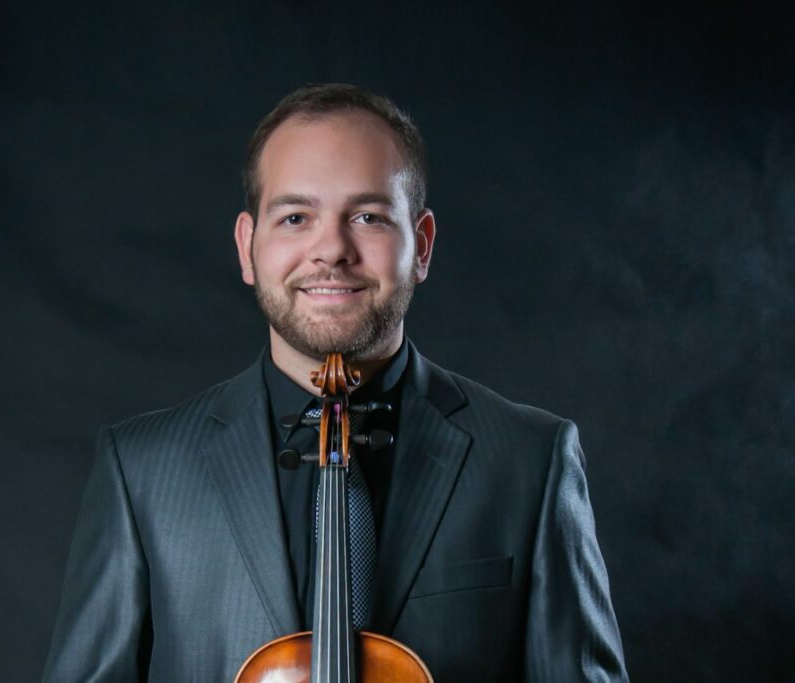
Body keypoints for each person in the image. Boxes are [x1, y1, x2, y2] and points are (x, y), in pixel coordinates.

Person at [42, 83, 628, 682]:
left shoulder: (530, 459)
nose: (331, 250)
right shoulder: (141, 470)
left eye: (368, 217)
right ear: (248, 248)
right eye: (296, 217)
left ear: (421, 246)